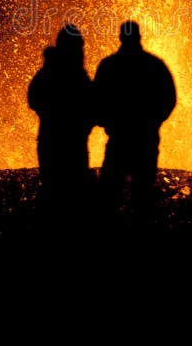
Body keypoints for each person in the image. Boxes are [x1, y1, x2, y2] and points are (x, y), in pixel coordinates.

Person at [93, 21, 176, 224]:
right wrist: (154, 122)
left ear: (120, 37)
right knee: (143, 195)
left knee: (109, 194)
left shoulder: (109, 66)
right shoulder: (155, 65)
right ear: (139, 36)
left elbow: (95, 100)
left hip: (118, 140)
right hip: (145, 141)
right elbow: (169, 99)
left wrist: (105, 121)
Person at [27, 25, 95, 210]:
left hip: (53, 141)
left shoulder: (49, 72)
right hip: (68, 144)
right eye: (78, 46)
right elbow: (91, 104)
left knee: (54, 190)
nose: (81, 51)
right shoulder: (74, 74)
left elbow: (33, 99)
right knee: (69, 192)